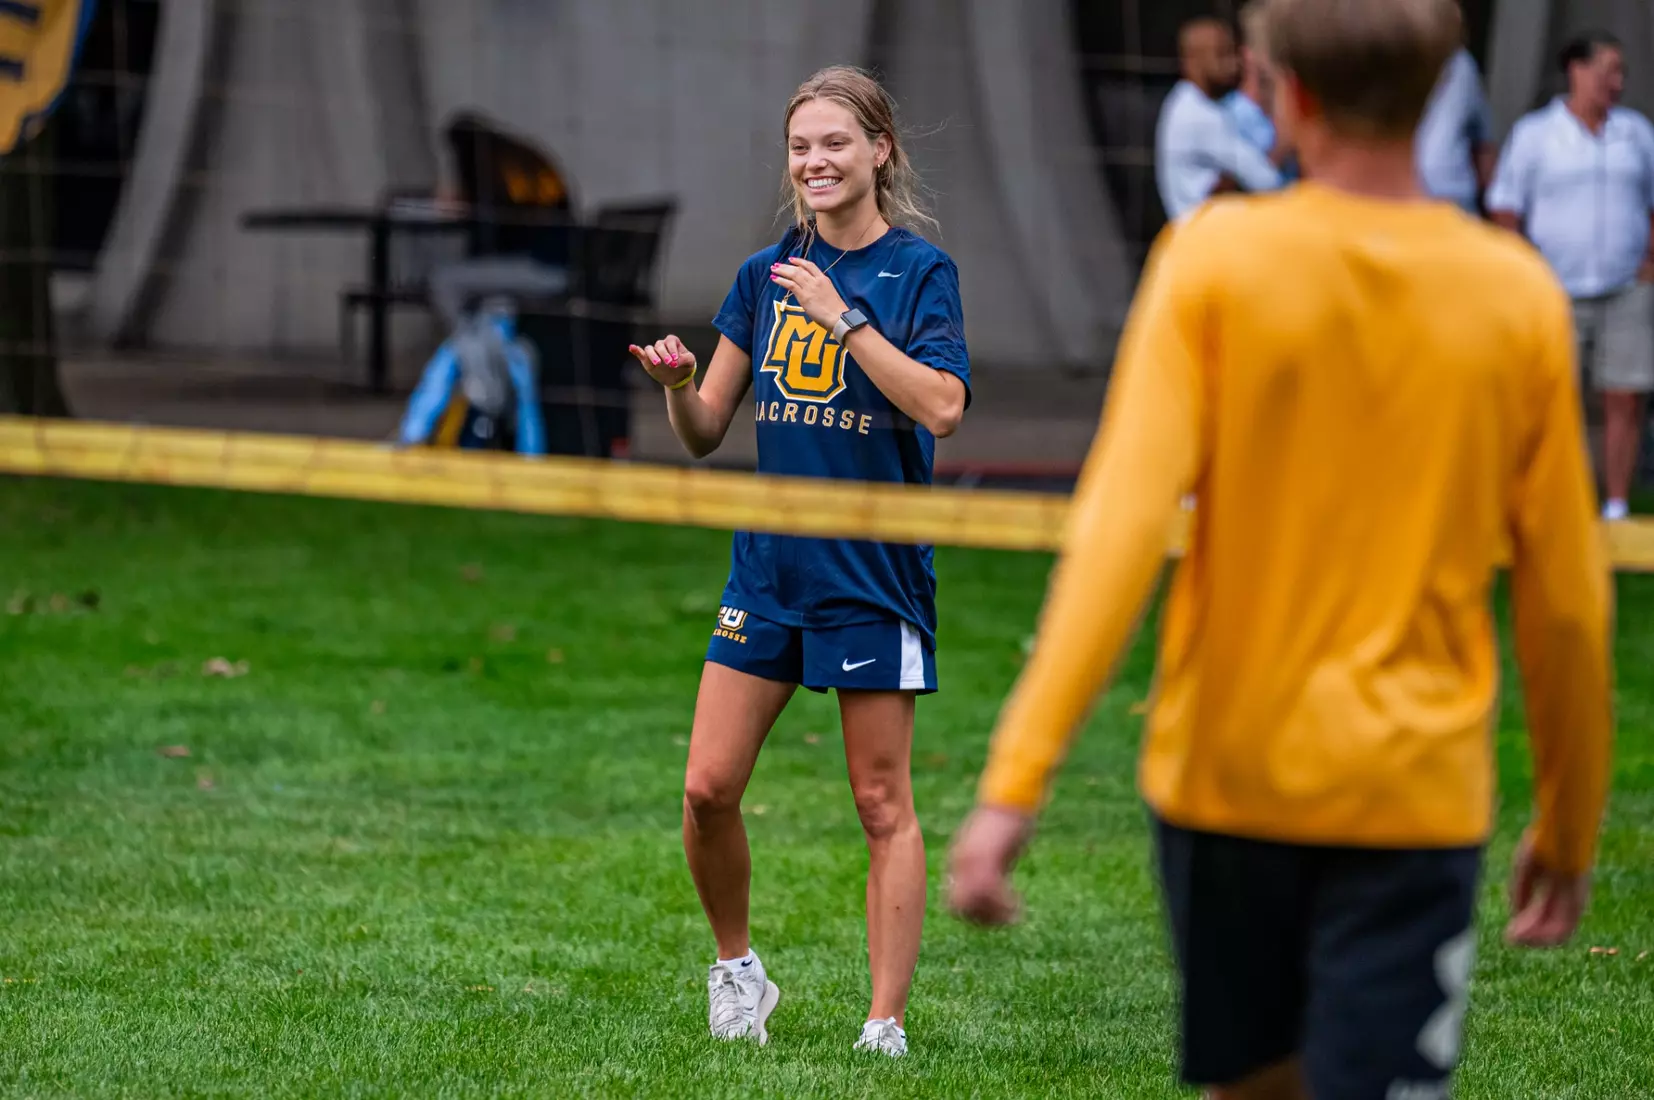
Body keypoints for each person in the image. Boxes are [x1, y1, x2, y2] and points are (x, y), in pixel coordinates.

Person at [949, 1, 1614, 1098]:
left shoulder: (1209, 260)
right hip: (1411, 793)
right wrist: (1569, 814)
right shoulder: (1516, 295)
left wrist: (1015, 782)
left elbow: (1116, 535)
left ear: (1284, 95)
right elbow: (1568, 605)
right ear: (1440, 90)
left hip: (1224, 787)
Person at [626, 65, 970, 1058]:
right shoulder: (761, 274)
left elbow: (941, 407)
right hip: (769, 572)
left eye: (833, 143)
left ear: (878, 151)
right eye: (799, 147)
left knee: (878, 799)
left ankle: (883, 1022)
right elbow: (702, 431)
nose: (813, 162)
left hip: (872, 573)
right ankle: (738, 972)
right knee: (706, 786)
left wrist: (845, 319)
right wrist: (680, 386)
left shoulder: (917, 274)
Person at [1488, 31, 1654, 522]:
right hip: (1555, 288)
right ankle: (1552, 497)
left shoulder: (1636, 133)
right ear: (1576, 71)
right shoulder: (1536, 134)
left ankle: (1617, 503)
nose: (1617, 82)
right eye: (1608, 71)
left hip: (1625, 287)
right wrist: (1524, 267)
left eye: (1621, 72)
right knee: (1555, 397)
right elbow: (1505, 206)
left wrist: (1650, 260)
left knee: (1624, 394)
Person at [1157, 17, 1285, 222]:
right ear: (1192, 61)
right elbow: (1265, 179)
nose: (1234, 64)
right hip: (1203, 235)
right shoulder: (1198, 116)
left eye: (1233, 53)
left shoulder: (1193, 102)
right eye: (1221, 55)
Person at [1415, 18, 1496, 212]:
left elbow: (1484, 144)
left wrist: (1491, 203)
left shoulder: (1463, 66)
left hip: (1455, 200)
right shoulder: (1388, 58)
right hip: (1404, 200)